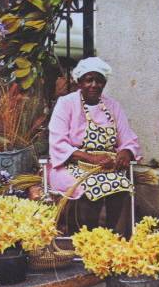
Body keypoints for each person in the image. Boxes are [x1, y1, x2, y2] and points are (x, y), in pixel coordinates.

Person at [48, 57, 141, 237]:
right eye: (88, 79)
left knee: (122, 185)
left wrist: (126, 151)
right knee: (89, 186)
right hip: (72, 165)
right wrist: (90, 158)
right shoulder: (66, 104)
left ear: (104, 83)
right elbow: (58, 142)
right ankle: (87, 239)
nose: (94, 85)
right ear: (79, 82)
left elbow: (128, 137)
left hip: (107, 166)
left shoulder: (113, 106)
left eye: (99, 80)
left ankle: (114, 238)